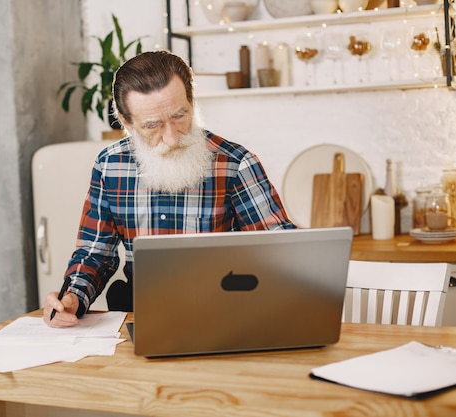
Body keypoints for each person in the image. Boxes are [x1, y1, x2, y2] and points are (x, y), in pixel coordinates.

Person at [44, 50, 295, 327]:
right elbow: (95, 253)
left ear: (191, 102)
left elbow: (282, 251)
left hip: (226, 314)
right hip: (143, 314)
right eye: (152, 125)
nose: (173, 138)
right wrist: (73, 297)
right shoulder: (109, 165)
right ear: (127, 123)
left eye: (179, 115)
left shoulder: (236, 163)